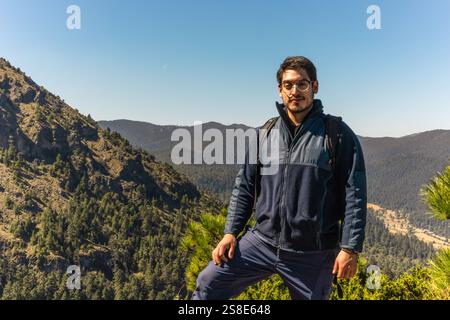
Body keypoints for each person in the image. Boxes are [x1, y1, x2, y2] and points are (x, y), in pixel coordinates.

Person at [192, 56, 367, 300]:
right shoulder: (264, 134)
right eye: (288, 85)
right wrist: (230, 232)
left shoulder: (336, 134)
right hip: (261, 242)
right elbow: (244, 187)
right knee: (208, 284)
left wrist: (350, 248)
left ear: (314, 87)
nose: (295, 91)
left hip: (313, 253)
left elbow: (355, 194)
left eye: (302, 84)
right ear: (280, 89)